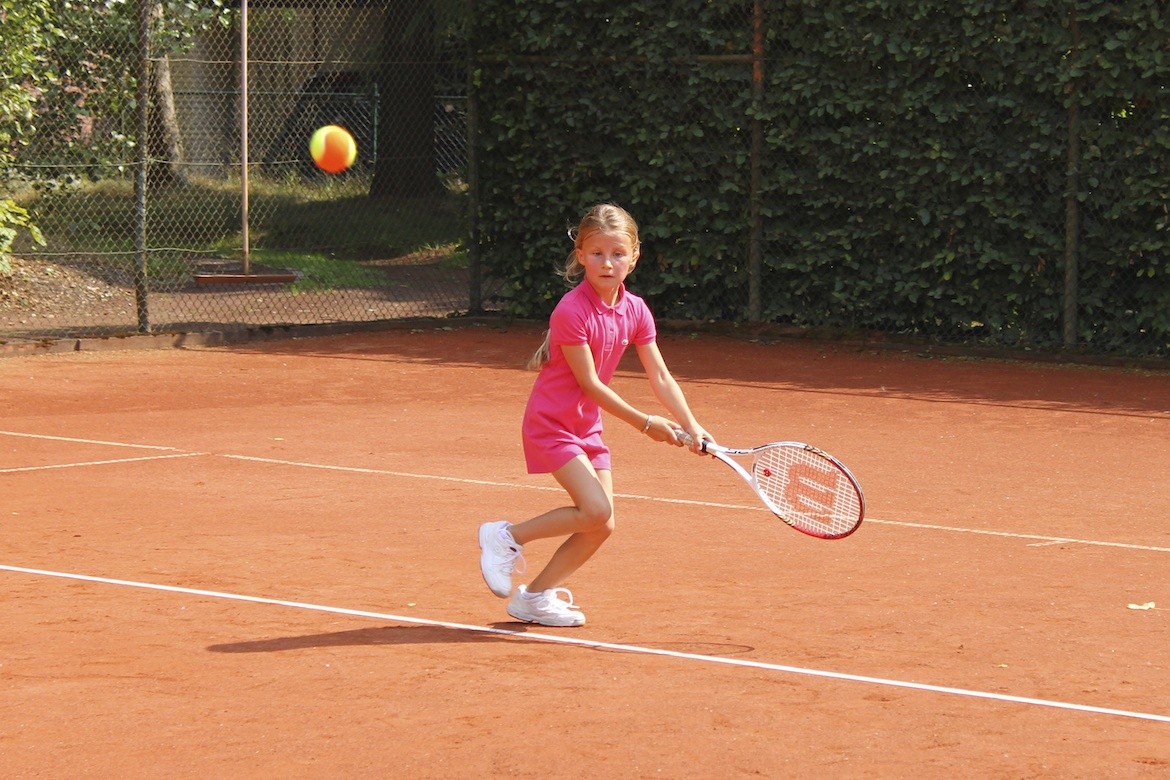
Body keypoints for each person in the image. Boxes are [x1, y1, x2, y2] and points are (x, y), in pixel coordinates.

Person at [478, 203, 712, 627]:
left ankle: (533, 597)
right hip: (551, 423)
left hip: (587, 426)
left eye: (618, 253)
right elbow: (591, 384)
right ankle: (505, 536)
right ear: (581, 255)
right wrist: (647, 424)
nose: (608, 263)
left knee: (601, 524)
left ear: (634, 257)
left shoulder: (636, 309)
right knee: (595, 510)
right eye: (598, 253)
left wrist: (692, 425)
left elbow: (659, 374)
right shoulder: (572, 310)